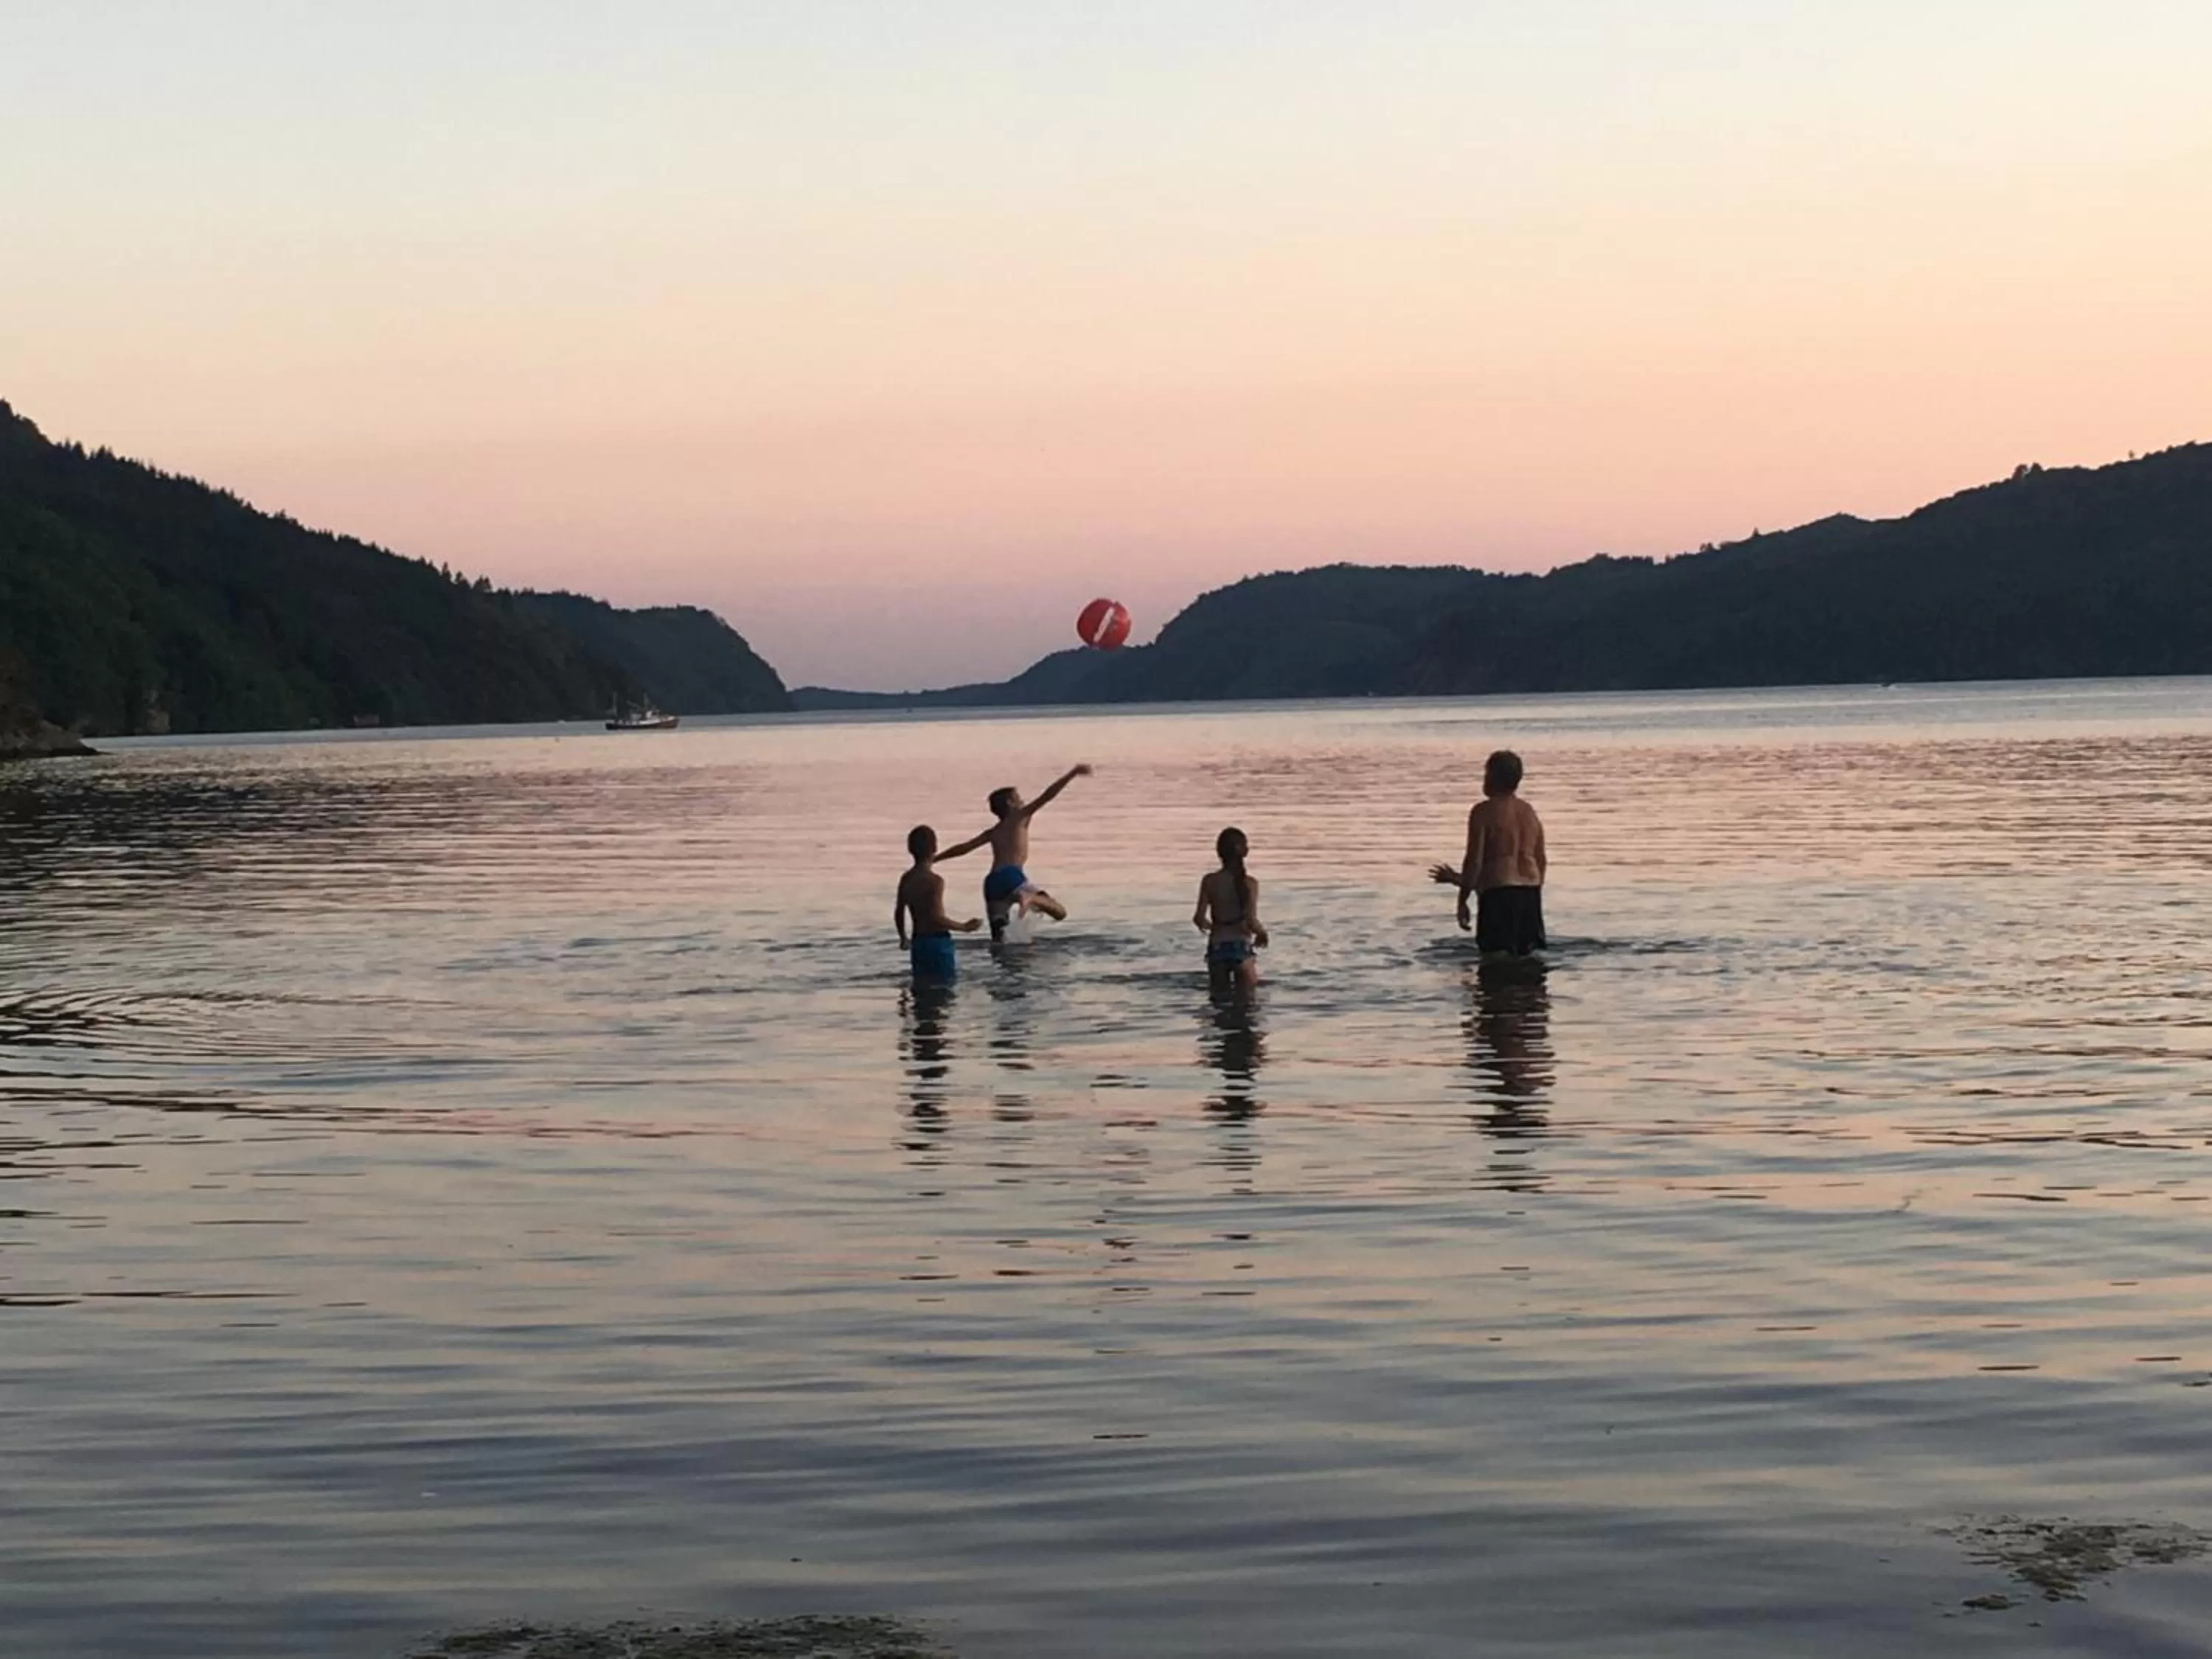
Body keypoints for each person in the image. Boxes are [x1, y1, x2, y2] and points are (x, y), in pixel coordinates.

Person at [937, 764, 1093, 941]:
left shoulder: (993, 831)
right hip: (1012, 875)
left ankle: (1006, 965)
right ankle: (1031, 899)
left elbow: (964, 848)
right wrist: (1072, 774)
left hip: (992, 883)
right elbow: (1047, 796)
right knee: (1059, 911)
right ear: (1011, 804)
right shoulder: (1020, 817)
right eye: (1019, 798)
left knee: (999, 940)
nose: (1023, 802)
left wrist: (934, 859)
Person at [1429, 749, 1547, 955]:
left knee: (1496, 959)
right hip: (1530, 894)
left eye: (1485, 774)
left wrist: (1462, 900)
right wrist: (1532, 893)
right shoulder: (1529, 812)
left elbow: (1475, 862)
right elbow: (1541, 861)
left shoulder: (1482, 812)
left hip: (1498, 897)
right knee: (1529, 960)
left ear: (1493, 777)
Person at [894, 825, 981, 981]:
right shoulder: (935, 881)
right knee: (944, 991)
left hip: (918, 943)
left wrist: (903, 937)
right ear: (934, 848)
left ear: (910, 850)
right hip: (937, 943)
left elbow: (899, 911)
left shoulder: (906, 879)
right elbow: (936, 917)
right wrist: (964, 927)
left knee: (921, 990)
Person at [1194, 826, 1269, 993]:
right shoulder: (1250, 884)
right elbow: (1251, 920)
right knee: (1248, 1006)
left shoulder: (1209, 881)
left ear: (1219, 852)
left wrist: (1216, 927)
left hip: (1217, 948)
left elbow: (1199, 918)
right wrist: (1262, 934)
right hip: (1240, 948)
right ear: (1245, 852)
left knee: (1218, 1003)